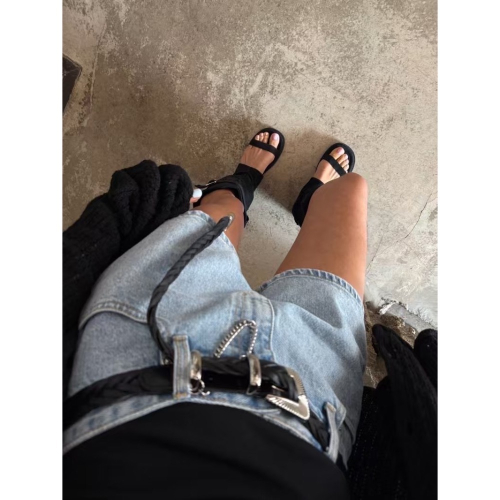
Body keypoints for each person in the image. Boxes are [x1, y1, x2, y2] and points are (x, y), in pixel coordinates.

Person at [63, 128, 371, 499]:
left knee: (221, 209)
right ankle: (311, 202)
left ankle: (240, 184)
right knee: (350, 190)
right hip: (313, 406)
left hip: (143, 355)